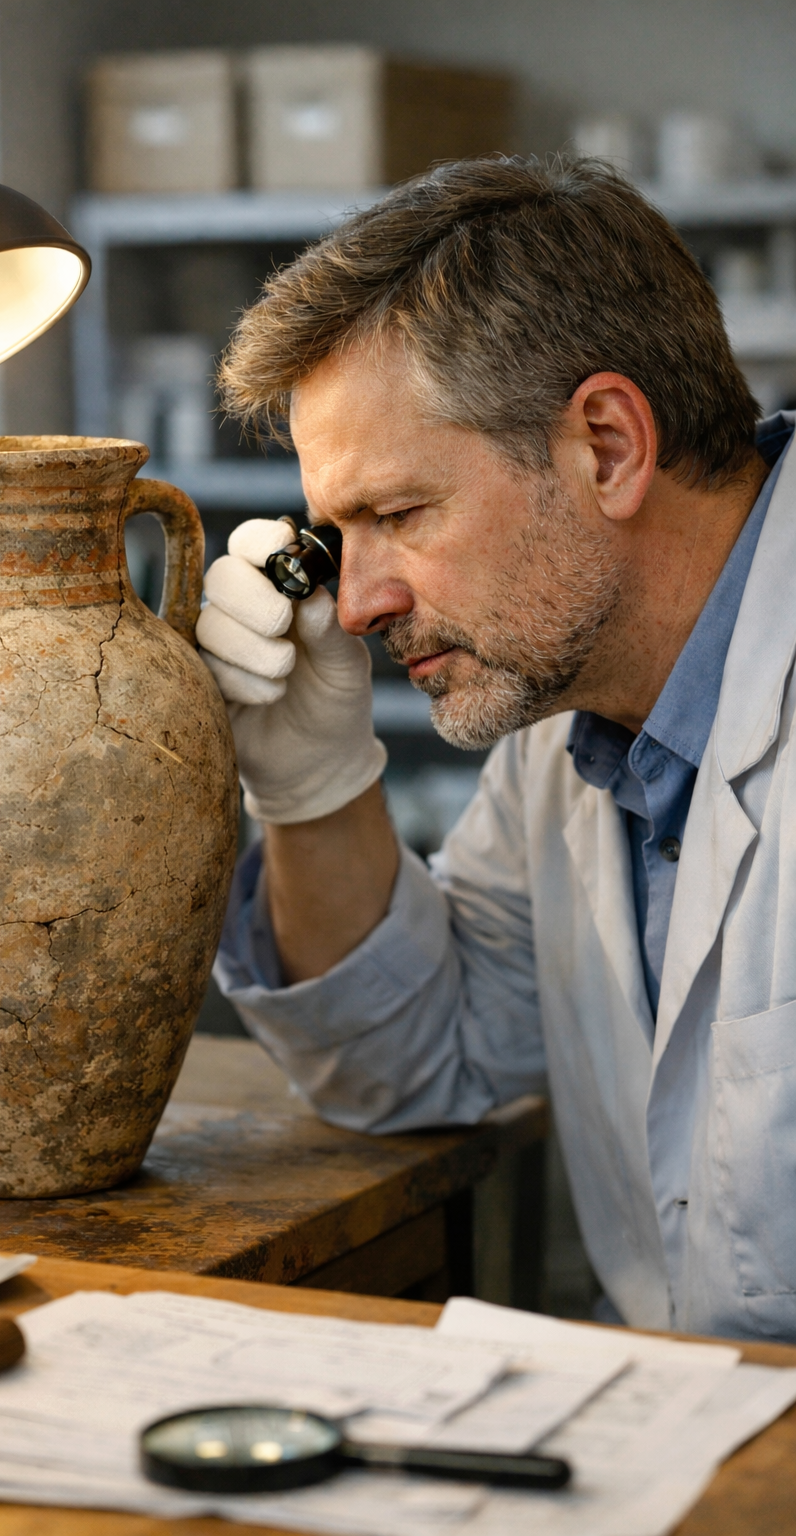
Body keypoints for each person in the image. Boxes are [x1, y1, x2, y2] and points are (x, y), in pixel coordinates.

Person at [195, 156, 796, 1343]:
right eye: (332, 534)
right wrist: (311, 786)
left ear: (609, 446)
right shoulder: (572, 736)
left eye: (399, 515)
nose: (357, 604)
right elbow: (419, 1060)